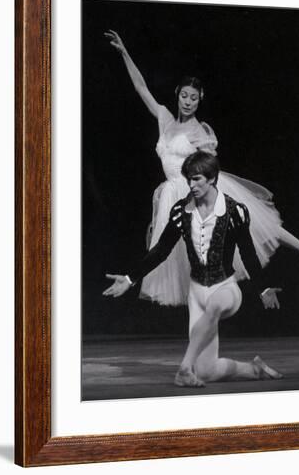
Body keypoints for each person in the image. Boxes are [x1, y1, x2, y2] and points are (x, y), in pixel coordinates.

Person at [103, 30, 299, 307]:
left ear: (200, 100)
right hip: (170, 191)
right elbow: (141, 88)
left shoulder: (200, 131)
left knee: (253, 225)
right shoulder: (164, 118)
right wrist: (124, 52)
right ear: (178, 95)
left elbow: (209, 165)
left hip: (196, 187)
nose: (188, 102)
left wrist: (204, 174)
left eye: (194, 98)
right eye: (185, 96)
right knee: (171, 253)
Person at [104, 152, 283, 387]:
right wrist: (130, 278)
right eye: (189, 179)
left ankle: (184, 369)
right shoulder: (181, 211)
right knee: (207, 371)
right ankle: (254, 369)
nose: (191, 184)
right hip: (196, 292)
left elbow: (248, 253)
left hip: (225, 288)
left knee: (215, 306)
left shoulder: (235, 212)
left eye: (197, 179)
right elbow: (161, 250)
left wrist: (263, 288)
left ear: (212, 179)